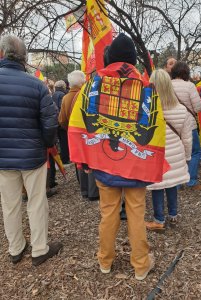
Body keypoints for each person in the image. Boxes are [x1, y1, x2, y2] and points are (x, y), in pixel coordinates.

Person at [68, 33, 167, 280]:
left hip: (104, 163)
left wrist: (84, 159)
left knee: (108, 213)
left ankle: (105, 261)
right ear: (133, 60)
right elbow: (157, 128)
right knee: (136, 214)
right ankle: (141, 265)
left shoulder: (93, 83)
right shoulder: (147, 87)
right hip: (136, 165)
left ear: (110, 57)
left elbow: (79, 123)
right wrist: (152, 163)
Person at [0, 35, 62, 265]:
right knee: (36, 202)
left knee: (9, 204)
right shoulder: (36, 84)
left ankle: (15, 248)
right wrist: (47, 144)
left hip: (3, 157)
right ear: (24, 56)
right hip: (32, 154)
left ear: (4, 53)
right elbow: (50, 122)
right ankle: (39, 248)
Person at [146, 69, 192, 231]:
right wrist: (187, 156)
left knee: (157, 186)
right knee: (172, 184)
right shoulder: (181, 109)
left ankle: (159, 219)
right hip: (176, 153)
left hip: (155, 155)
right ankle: (173, 215)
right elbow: (187, 138)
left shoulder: (147, 109)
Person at [58, 70, 99, 201]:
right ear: (82, 81)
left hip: (73, 133)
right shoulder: (87, 94)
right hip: (89, 132)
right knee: (91, 160)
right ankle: (93, 192)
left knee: (79, 160)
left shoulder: (65, 98)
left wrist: (69, 129)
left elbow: (62, 120)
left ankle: (84, 190)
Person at [171, 61, 201, 190]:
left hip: (171, 125)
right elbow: (198, 106)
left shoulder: (168, 85)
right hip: (188, 124)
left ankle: (177, 183)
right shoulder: (189, 86)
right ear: (186, 72)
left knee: (176, 152)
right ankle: (191, 181)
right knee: (195, 152)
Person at [53, 80, 70, 164]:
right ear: (63, 86)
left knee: (60, 139)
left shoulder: (53, 94)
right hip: (61, 121)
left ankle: (61, 157)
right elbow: (62, 109)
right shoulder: (63, 95)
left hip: (55, 121)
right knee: (64, 140)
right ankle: (65, 158)